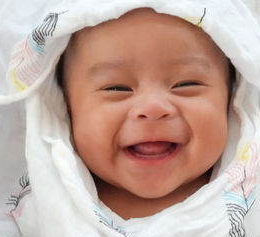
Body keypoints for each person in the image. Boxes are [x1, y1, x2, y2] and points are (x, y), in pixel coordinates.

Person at [56, 8, 232, 219]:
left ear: (230, 100)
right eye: (116, 88)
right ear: (67, 108)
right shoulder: (52, 206)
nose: (153, 108)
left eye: (186, 84)